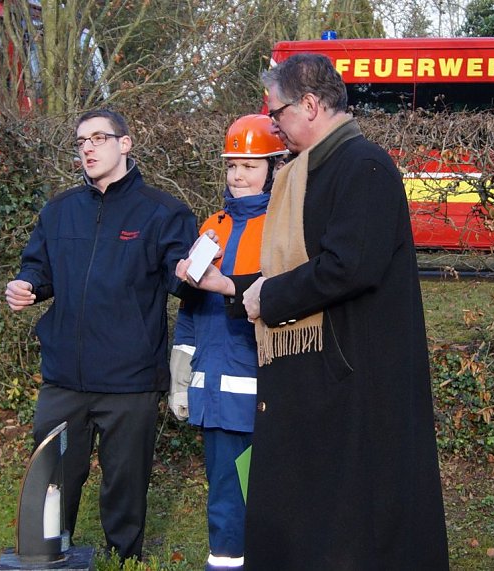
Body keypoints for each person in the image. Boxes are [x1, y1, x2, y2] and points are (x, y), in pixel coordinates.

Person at [177, 54, 449, 570]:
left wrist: (268, 298)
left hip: (358, 383)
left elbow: (348, 266)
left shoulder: (363, 165)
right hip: (324, 378)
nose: (274, 127)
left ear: (308, 104)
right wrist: (232, 288)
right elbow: (297, 269)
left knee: (357, 525)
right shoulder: (311, 170)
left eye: (277, 113)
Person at [4, 109, 198, 561]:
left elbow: (180, 279)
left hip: (129, 378)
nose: (87, 148)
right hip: (64, 377)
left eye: (98, 138)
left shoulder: (164, 212)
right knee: (53, 479)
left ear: (125, 143)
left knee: (125, 483)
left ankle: (122, 557)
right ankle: (49, 553)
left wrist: (191, 273)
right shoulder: (59, 210)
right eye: (81, 141)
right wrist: (26, 284)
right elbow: (38, 266)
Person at [169, 114, 289, 571]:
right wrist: (182, 376)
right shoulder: (212, 225)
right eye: (232, 165)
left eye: (250, 166)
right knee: (224, 498)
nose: (238, 175)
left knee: (273, 499)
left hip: (266, 390)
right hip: (216, 392)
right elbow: (191, 311)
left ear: (275, 168)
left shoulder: (285, 225)